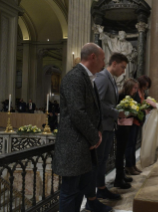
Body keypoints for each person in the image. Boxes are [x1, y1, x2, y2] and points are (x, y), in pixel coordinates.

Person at [52, 43, 109, 212]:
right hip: (73, 145)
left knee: (78, 191)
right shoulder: (74, 77)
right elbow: (78, 113)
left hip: (82, 145)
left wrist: (96, 133)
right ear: (93, 57)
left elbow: (93, 111)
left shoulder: (88, 78)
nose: (104, 63)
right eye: (103, 59)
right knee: (70, 192)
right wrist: (95, 136)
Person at [85, 53, 129, 211]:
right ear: (115, 64)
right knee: (98, 162)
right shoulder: (103, 77)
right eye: (122, 67)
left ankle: (101, 189)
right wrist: (117, 113)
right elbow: (99, 103)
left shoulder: (110, 78)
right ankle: (93, 197)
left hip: (109, 126)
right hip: (102, 127)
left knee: (103, 160)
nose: (124, 71)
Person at [114, 78, 139, 189]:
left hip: (128, 125)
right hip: (121, 126)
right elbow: (117, 111)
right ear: (129, 86)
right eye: (134, 88)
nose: (136, 90)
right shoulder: (121, 96)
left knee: (123, 151)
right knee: (120, 153)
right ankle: (118, 179)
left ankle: (122, 175)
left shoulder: (130, 97)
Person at [125, 75, 152, 175]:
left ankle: (133, 165)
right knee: (130, 145)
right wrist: (142, 108)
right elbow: (135, 105)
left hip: (138, 121)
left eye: (147, 86)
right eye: (144, 86)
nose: (145, 88)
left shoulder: (142, 92)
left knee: (133, 144)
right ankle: (129, 166)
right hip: (133, 121)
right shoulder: (136, 92)